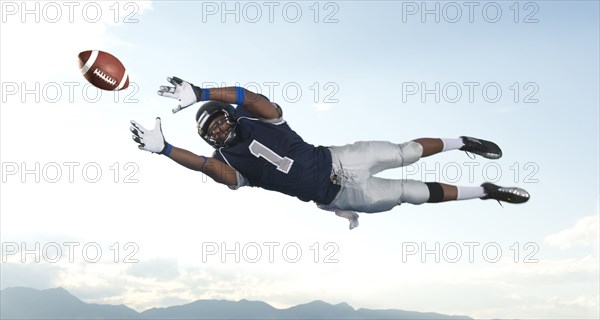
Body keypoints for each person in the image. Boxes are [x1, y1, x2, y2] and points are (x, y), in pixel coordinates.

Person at [130, 77, 530, 229]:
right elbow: (205, 167)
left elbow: (250, 97)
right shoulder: (234, 167)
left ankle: (464, 142)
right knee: (414, 194)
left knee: (406, 151)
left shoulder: (260, 120)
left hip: (341, 159)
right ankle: (487, 190)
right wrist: (165, 149)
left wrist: (201, 93)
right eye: (211, 130)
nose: (219, 128)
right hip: (340, 195)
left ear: (228, 117)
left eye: (218, 119)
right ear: (212, 140)